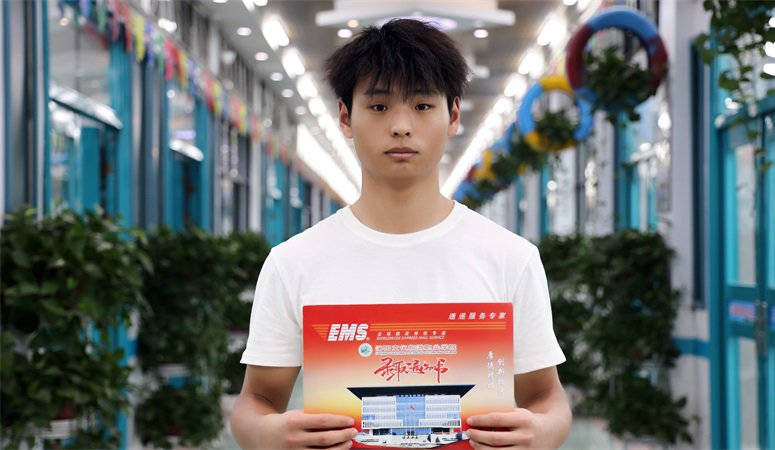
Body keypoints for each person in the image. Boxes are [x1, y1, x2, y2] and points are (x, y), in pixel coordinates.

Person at [231, 18, 571, 449]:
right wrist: (268, 433)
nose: (401, 126)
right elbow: (256, 400)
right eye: (378, 107)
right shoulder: (293, 263)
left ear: (453, 116)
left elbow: (546, 397)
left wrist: (542, 431)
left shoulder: (510, 258)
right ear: (345, 117)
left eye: (422, 105)